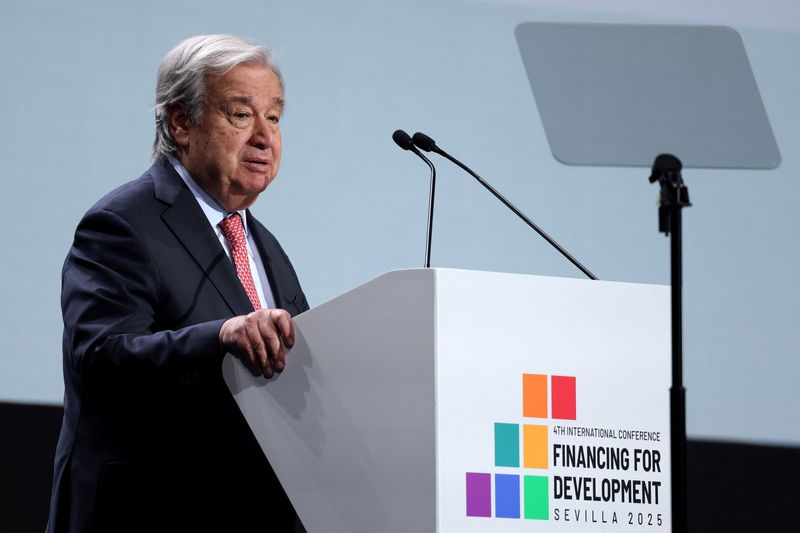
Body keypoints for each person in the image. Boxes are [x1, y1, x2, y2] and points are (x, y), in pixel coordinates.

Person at [46, 35, 309, 533]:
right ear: (181, 123)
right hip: (144, 510)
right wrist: (221, 336)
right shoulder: (121, 223)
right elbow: (101, 359)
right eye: (240, 114)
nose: (264, 137)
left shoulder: (264, 246)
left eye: (273, 117)